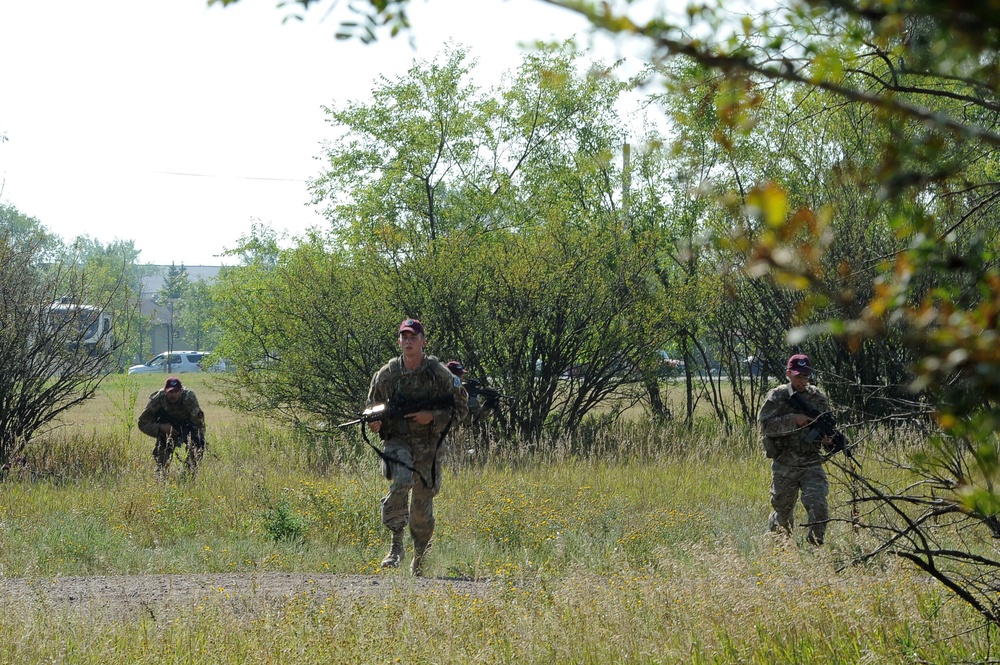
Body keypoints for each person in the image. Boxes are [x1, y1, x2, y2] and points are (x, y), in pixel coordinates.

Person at [367, 319, 468, 575]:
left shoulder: (439, 373)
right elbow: (372, 405)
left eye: (414, 337)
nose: (409, 342)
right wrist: (375, 421)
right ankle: (396, 546)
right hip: (397, 441)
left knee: (421, 509)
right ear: (399, 342)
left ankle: (419, 559)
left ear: (423, 341)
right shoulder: (388, 373)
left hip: (429, 447)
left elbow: (462, 409)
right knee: (400, 482)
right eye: (404, 337)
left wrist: (432, 416)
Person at [758, 354, 834, 545]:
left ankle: (815, 548)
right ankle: (781, 550)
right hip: (785, 463)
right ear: (788, 374)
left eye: (806, 376)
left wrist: (828, 439)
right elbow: (766, 426)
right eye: (798, 376)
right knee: (782, 512)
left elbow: (828, 426)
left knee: (818, 506)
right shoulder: (777, 396)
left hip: (811, 462)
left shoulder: (818, 397)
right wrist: (793, 420)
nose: (802, 380)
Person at [137, 376, 207, 480]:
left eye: (175, 391)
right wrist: (161, 427)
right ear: (165, 391)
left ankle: (187, 479)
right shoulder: (158, 399)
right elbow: (142, 422)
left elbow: (198, 424)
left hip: (187, 427)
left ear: (181, 391)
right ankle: (160, 480)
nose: (172, 395)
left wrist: (198, 441)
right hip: (166, 430)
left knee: (197, 447)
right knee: (162, 457)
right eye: (170, 392)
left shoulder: (189, 398)